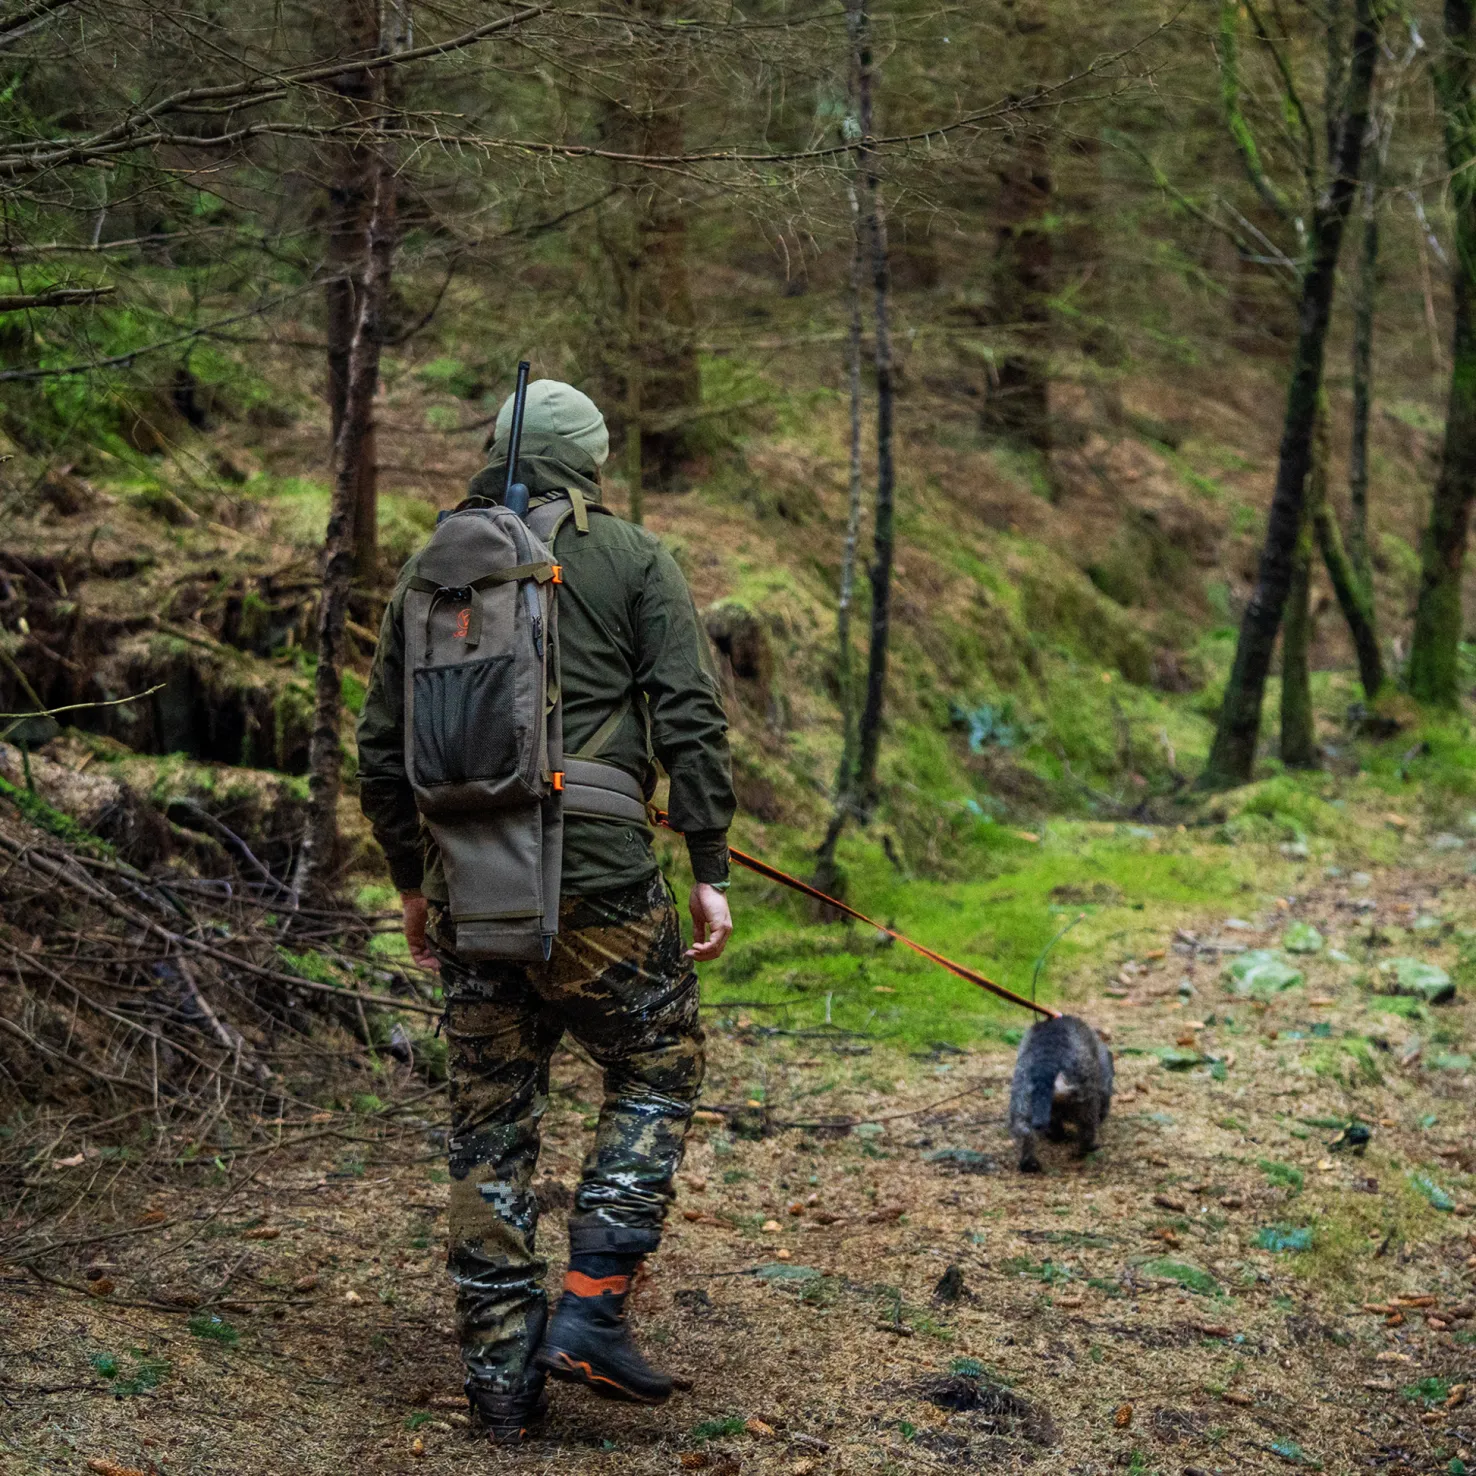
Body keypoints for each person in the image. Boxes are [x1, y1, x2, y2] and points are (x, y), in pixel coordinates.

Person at [356, 379, 735, 1443]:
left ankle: (501, 1389)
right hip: (604, 882)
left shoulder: (427, 576)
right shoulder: (632, 558)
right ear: (590, 463)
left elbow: (380, 751)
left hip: (469, 890)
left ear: (493, 452)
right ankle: (594, 1307)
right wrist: (709, 861)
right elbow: (691, 713)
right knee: (656, 1062)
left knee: (489, 1130)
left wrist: (412, 884)